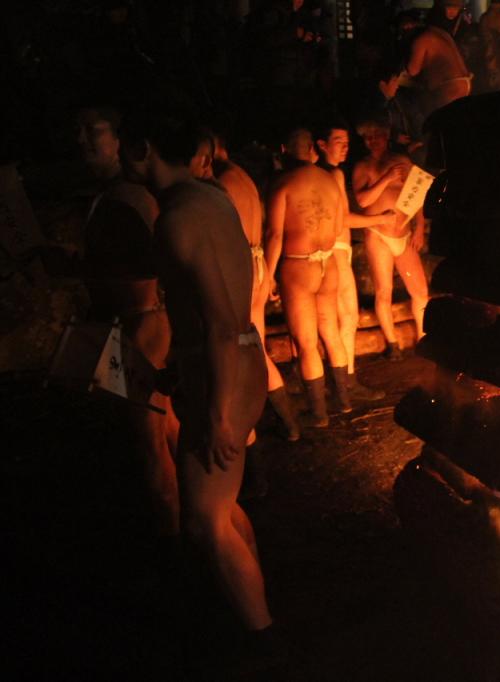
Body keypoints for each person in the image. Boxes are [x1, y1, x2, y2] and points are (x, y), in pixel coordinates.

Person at [119, 110, 273, 635]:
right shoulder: (211, 197)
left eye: (123, 144)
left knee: (204, 522)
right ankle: (249, 604)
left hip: (224, 366)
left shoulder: (178, 218)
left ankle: (263, 637)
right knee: (219, 508)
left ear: (144, 149)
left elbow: (219, 322)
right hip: (231, 361)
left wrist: (218, 413)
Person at [77, 106, 180, 539]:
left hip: (143, 327)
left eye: (93, 132)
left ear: (119, 141)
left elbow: (160, 260)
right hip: (129, 326)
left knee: (151, 443)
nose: (83, 141)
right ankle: (191, 531)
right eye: (78, 133)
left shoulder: (133, 197)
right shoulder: (111, 196)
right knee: (164, 435)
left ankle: (182, 543)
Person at [267, 127, 391, 424]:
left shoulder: (282, 183)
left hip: (299, 265)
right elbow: (337, 226)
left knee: (307, 342)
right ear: (312, 149)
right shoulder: (330, 179)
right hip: (329, 264)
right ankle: (344, 402)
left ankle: (319, 413)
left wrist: (268, 275)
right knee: (332, 333)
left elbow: (274, 235)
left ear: (283, 151)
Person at [211, 130, 303, 441]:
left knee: (241, 355)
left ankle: (251, 447)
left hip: (244, 270)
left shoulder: (221, 181)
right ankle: (288, 424)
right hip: (257, 263)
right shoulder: (242, 177)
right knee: (256, 350)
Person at [313, 120, 388, 402]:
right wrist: (380, 218)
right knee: (347, 317)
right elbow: (341, 218)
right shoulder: (332, 174)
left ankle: (339, 384)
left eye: (346, 142)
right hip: (336, 250)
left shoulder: (320, 173)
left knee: (335, 320)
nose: (345, 147)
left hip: (329, 251)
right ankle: (346, 383)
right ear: (321, 145)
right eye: (339, 141)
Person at [352, 118, 429, 358]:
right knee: (383, 290)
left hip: (403, 232)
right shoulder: (362, 167)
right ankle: (393, 344)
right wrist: (385, 179)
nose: (373, 142)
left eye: (377, 136)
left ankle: (423, 337)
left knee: (420, 292)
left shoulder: (401, 162)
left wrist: (418, 227)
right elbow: (363, 201)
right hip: (378, 234)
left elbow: (416, 194)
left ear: (386, 136)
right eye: (368, 138)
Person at [400, 10, 473, 118]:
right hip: (464, 83)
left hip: (450, 88)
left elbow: (412, 71)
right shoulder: (439, 32)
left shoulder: (421, 40)